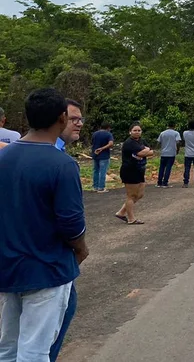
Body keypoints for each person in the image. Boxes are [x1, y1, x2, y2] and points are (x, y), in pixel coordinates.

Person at [0, 88, 89, 362]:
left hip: (8, 267)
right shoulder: (62, 165)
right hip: (46, 270)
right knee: (36, 351)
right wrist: (81, 249)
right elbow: (71, 224)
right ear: (62, 118)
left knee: (7, 347)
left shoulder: (3, 158)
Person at [117, 123, 152, 225]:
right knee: (131, 195)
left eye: (139, 130)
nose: (137, 132)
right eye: (135, 130)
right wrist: (146, 150)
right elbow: (141, 153)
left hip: (140, 170)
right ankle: (131, 218)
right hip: (129, 170)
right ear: (130, 132)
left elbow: (151, 152)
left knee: (140, 194)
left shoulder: (142, 141)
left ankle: (121, 212)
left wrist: (146, 151)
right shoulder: (129, 143)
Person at [90, 123, 115, 193]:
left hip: (95, 154)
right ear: (108, 128)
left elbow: (92, 142)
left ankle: (95, 186)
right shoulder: (108, 134)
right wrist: (102, 148)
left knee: (96, 171)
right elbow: (111, 144)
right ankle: (101, 187)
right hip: (104, 155)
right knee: (102, 171)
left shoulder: (94, 134)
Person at [156, 123, 181, 188]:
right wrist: (177, 150)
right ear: (174, 126)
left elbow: (158, 142)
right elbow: (178, 142)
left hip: (163, 153)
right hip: (171, 153)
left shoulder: (162, 133)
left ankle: (159, 183)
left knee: (161, 168)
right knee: (168, 168)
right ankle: (165, 183)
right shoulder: (176, 133)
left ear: (167, 126)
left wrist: (158, 150)